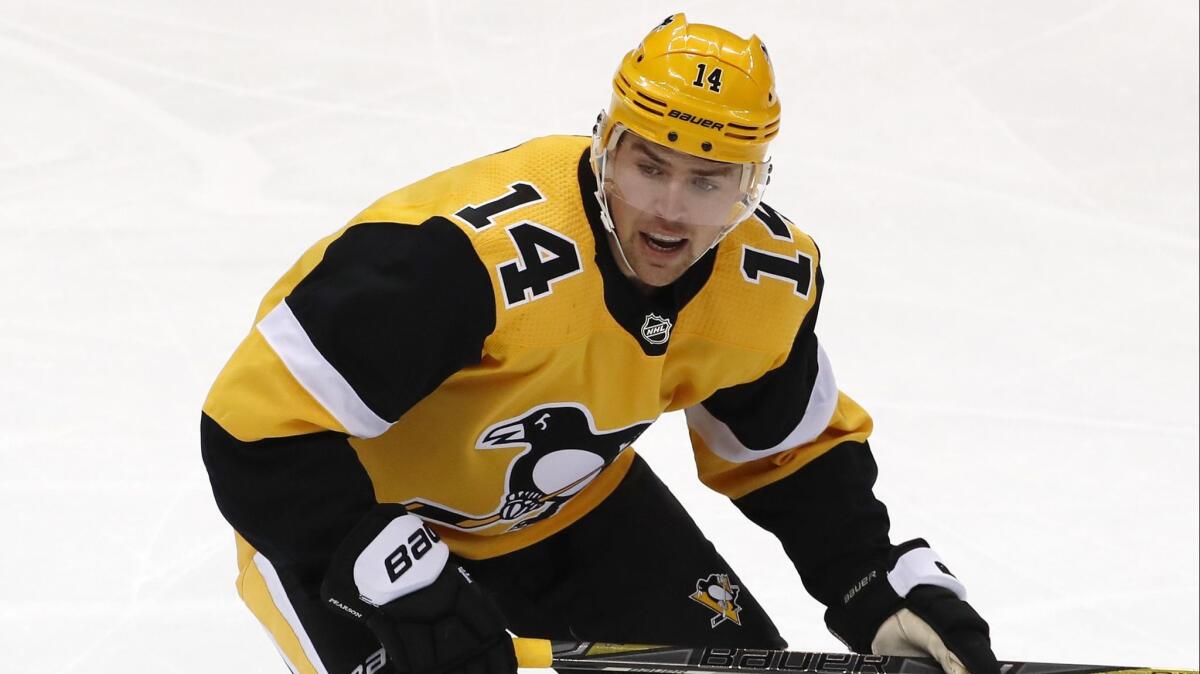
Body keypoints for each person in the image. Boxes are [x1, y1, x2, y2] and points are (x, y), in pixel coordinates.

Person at [201, 13, 1000, 674]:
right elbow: (254, 430)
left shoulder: (765, 282)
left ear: (751, 186)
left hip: (573, 511)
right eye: (650, 167)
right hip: (359, 531)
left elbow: (786, 453)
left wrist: (874, 583)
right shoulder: (458, 258)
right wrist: (403, 584)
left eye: (708, 181)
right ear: (605, 147)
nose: (670, 212)